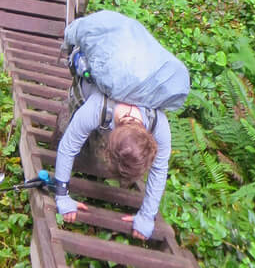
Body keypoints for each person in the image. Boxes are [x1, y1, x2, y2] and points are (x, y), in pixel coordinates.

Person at [52, 71, 172, 241]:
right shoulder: (97, 107)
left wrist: (147, 216)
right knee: (75, 141)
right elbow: (68, 146)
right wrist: (62, 195)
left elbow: (159, 168)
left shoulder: (158, 124)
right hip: (86, 97)